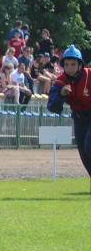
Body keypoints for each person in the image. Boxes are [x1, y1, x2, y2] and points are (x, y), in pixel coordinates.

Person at [47, 45, 91, 187]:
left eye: (73, 64)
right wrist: (61, 95)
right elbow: (52, 107)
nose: (69, 67)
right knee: (84, 154)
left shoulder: (89, 75)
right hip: (79, 119)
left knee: (89, 146)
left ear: (80, 65)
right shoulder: (60, 82)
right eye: (66, 64)